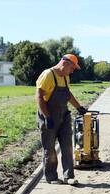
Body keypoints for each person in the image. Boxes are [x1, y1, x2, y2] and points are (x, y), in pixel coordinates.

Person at [36, 54, 87, 185]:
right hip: (49, 115)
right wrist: (47, 117)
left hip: (63, 116)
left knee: (67, 146)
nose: (73, 71)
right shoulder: (48, 75)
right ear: (65, 63)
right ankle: (51, 177)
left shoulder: (65, 77)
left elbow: (68, 94)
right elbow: (39, 97)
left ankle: (68, 176)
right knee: (50, 148)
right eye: (73, 68)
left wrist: (79, 107)